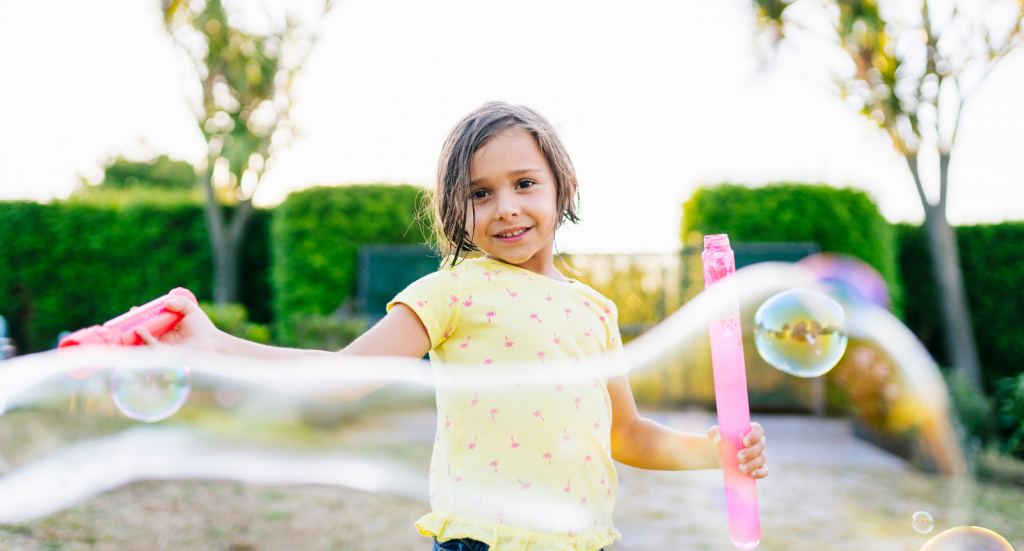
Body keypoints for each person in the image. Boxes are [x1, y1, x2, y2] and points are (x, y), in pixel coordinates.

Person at [143, 102, 768, 551]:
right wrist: (214, 343)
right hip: (483, 543)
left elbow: (625, 434)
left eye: (525, 183)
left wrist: (710, 454)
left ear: (562, 187)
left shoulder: (595, 310)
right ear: (454, 209)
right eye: (480, 193)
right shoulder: (451, 291)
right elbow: (343, 378)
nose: (508, 208)